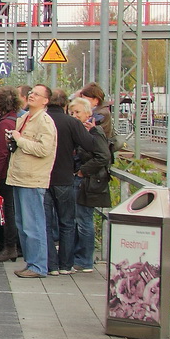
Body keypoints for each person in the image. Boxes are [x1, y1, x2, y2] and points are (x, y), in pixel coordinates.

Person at [6, 83, 57, 278]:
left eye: (37, 94)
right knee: (22, 223)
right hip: (19, 176)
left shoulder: (44, 121)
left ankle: (38, 266)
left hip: (33, 178)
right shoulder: (25, 118)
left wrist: (19, 140)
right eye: (31, 93)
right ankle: (31, 262)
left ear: (46, 100)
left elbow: (44, 149)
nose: (32, 96)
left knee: (33, 223)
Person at [43, 89, 97, 275]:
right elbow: (90, 144)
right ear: (65, 105)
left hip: (43, 177)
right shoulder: (72, 122)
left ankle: (51, 265)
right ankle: (66, 264)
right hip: (65, 178)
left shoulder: (41, 120)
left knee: (46, 223)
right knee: (67, 222)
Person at [69, 96, 113, 272]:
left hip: (89, 182)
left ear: (88, 113)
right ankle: (80, 256)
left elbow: (104, 156)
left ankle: (85, 259)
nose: (74, 115)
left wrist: (83, 171)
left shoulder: (94, 131)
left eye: (78, 112)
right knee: (79, 219)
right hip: (84, 181)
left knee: (84, 220)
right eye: (72, 112)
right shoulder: (80, 130)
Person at [0, 87, 22, 262]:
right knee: (9, 209)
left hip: (5, 174)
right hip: (11, 172)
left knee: (7, 210)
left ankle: (9, 246)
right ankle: (7, 245)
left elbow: (1, 152)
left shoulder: (5, 124)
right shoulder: (14, 120)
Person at [78, 81, 114, 146]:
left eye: (85, 100)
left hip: (97, 149)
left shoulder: (100, 114)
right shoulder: (99, 110)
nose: (82, 103)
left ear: (96, 100)